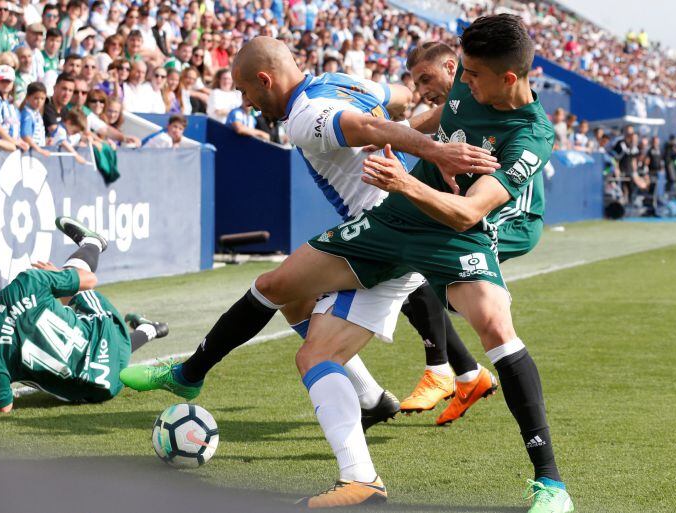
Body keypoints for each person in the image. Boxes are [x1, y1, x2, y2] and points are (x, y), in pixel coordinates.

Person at [123, 18, 573, 513]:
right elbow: (414, 113)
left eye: (471, 75)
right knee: (293, 314)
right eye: (459, 73)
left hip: (448, 232)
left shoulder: (532, 136)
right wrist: (426, 144)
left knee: (493, 326)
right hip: (388, 222)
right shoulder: (465, 91)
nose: (459, 84)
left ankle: (550, 484)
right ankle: (361, 479)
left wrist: (407, 180)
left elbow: (467, 212)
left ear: (509, 79)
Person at [399, 40, 548, 425]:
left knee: (430, 266)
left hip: (511, 214)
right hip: (471, 202)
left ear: (452, 68)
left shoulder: (489, 88)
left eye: (426, 79)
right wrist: (398, 131)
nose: (422, 91)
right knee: (401, 267)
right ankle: (465, 375)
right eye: (416, 83)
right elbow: (442, 114)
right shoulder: (465, 90)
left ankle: (447, 370)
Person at [0, 217, 169, 412]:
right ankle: (92, 244)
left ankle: (149, 329)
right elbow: (90, 279)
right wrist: (57, 275)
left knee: (87, 353)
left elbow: (3, 406)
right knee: (74, 287)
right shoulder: (28, 281)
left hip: (100, 387)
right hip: (108, 338)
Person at [0, 65, 28, 151]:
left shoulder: (12, 103)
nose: (5, 84)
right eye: (2, 81)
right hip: (1, 147)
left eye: (8, 81)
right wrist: (13, 141)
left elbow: (16, 127)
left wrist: (21, 142)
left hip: (12, 146)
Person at [19, 81, 50, 156]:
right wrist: (39, 150)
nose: (39, 102)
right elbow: (25, 136)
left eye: (42, 98)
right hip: (30, 153)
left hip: (35, 151)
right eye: (36, 98)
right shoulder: (27, 114)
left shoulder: (36, 113)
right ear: (28, 97)